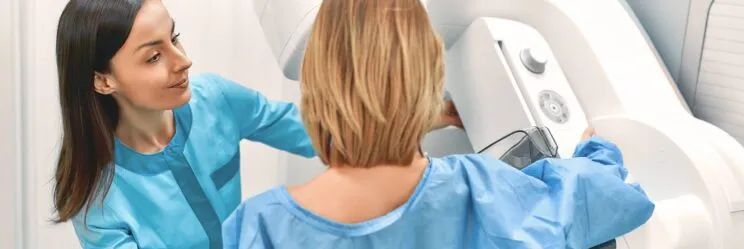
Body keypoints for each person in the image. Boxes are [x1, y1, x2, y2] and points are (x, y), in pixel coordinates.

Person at [221, 0, 655, 248]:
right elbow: (600, 198)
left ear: (318, 80)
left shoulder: (258, 227)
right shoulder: (480, 190)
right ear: (426, 76)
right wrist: (596, 151)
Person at [52, 0, 461, 248]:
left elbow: (310, 130)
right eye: (154, 56)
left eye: (174, 39)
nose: (184, 61)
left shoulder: (216, 100)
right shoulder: (95, 200)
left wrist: (422, 115)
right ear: (103, 81)